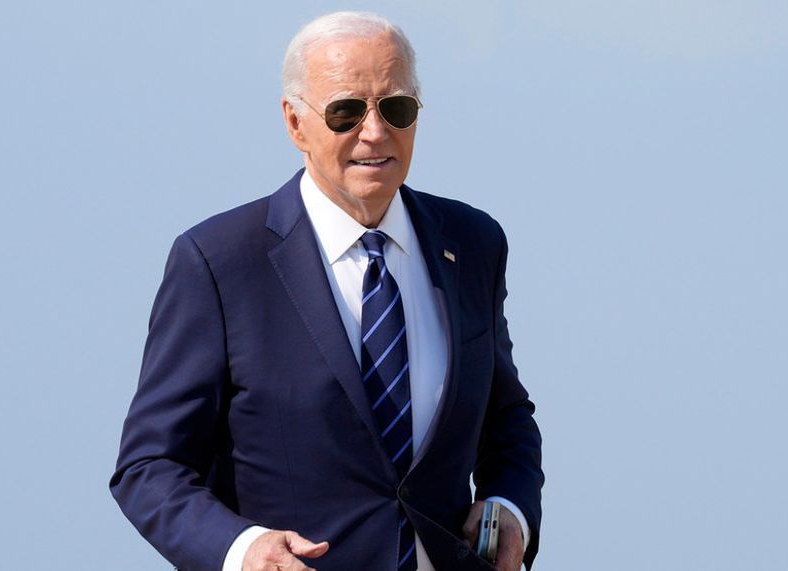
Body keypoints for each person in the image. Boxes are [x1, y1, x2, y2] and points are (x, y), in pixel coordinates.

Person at [110, 11, 543, 571]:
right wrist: (242, 552)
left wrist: (511, 509)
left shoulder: (473, 243)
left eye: (396, 108)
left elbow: (505, 416)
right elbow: (149, 467)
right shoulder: (218, 263)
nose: (375, 132)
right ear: (295, 123)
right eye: (346, 111)